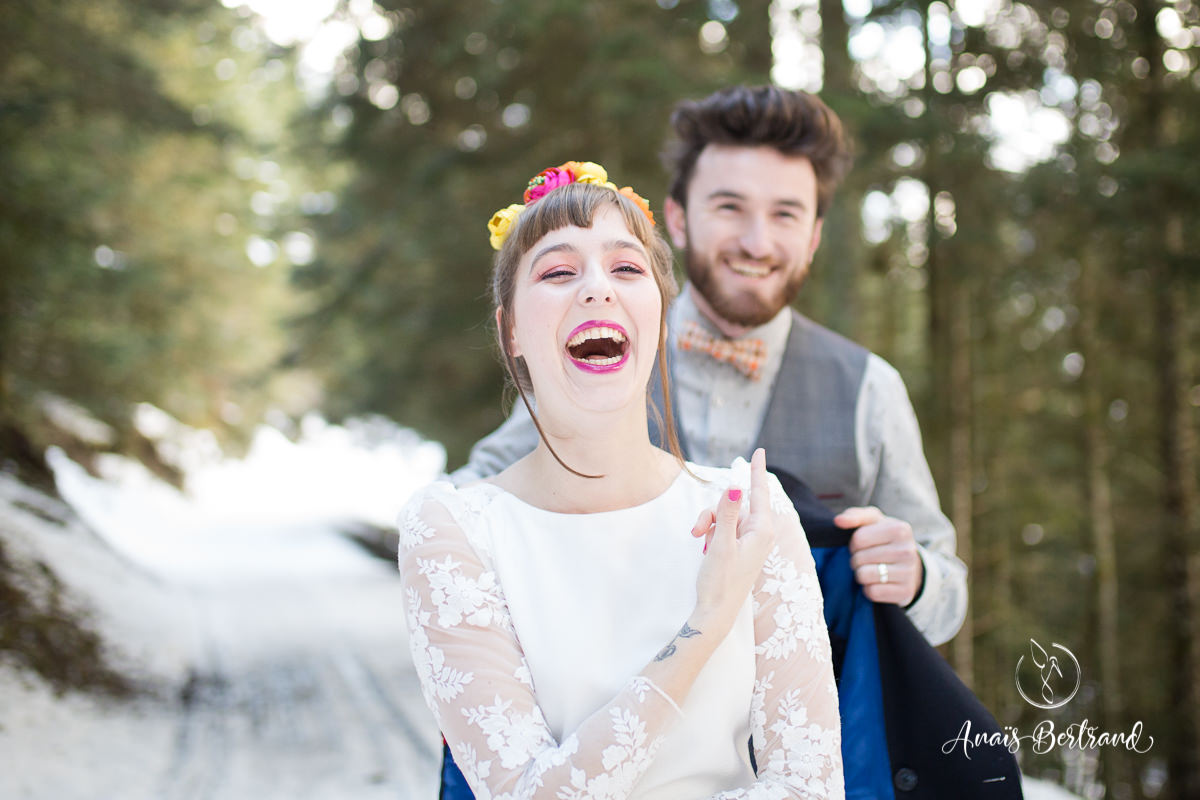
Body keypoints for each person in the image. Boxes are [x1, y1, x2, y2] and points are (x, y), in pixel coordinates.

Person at [454, 85, 968, 648]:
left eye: (786, 214)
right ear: (676, 219)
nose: (756, 242)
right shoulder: (598, 351)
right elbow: (473, 509)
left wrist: (914, 578)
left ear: (815, 235)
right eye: (729, 207)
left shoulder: (872, 388)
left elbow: (948, 592)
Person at [398, 162, 843, 798]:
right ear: (511, 330)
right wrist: (705, 624)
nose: (597, 288)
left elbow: (812, 788)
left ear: (659, 316)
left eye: (627, 268)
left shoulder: (749, 511)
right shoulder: (453, 532)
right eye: (557, 271)